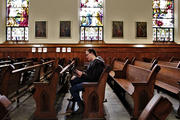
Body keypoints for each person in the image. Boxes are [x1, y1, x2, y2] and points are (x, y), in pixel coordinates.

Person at [69, 48, 105, 114]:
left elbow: (93, 78)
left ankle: (81, 106)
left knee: (72, 89)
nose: (86, 56)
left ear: (91, 53)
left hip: (92, 84)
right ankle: (76, 97)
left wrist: (82, 74)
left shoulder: (98, 63)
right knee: (73, 81)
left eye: (87, 55)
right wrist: (79, 74)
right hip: (90, 80)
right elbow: (89, 73)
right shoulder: (94, 61)